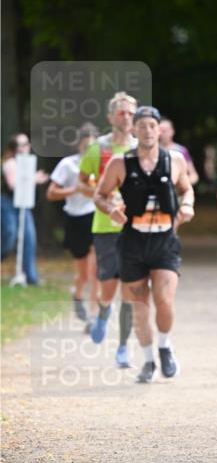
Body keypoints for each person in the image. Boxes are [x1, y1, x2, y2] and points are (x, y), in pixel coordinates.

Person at [94, 105, 195, 383]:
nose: (148, 131)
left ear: (159, 129)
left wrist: (187, 205)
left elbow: (186, 189)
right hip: (133, 243)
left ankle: (164, 346)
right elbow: (100, 195)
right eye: (142, 126)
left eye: (152, 126)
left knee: (164, 300)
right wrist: (111, 210)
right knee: (140, 307)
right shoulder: (120, 163)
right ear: (133, 130)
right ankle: (149, 360)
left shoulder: (174, 160)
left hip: (164, 241)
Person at [79, 92, 138, 367]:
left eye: (130, 113)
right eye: (121, 112)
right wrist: (102, 195)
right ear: (110, 117)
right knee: (108, 288)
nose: (126, 117)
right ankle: (103, 312)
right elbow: (81, 183)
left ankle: (123, 347)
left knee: (130, 288)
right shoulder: (98, 148)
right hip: (105, 226)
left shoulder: (141, 147)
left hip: (135, 226)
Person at [47, 123, 99, 322]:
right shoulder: (68, 165)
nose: (88, 150)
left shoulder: (102, 164)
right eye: (85, 146)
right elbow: (51, 193)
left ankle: (94, 316)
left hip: (95, 216)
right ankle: (77, 295)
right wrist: (75, 190)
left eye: (92, 147)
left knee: (96, 271)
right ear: (78, 145)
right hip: (75, 219)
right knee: (83, 274)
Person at [1, 133, 48, 284]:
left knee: (29, 238)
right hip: (8, 203)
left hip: (23, 204)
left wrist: (35, 178)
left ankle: (31, 277)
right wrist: (34, 178)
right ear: (15, 148)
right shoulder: (10, 163)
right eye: (22, 144)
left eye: (27, 143)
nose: (26, 147)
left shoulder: (27, 163)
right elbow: (13, 185)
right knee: (10, 234)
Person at [159, 117, 200, 186]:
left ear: (172, 131)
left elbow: (194, 175)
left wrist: (182, 184)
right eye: (161, 130)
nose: (163, 133)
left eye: (165, 130)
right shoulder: (151, 150)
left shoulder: (181, 151)